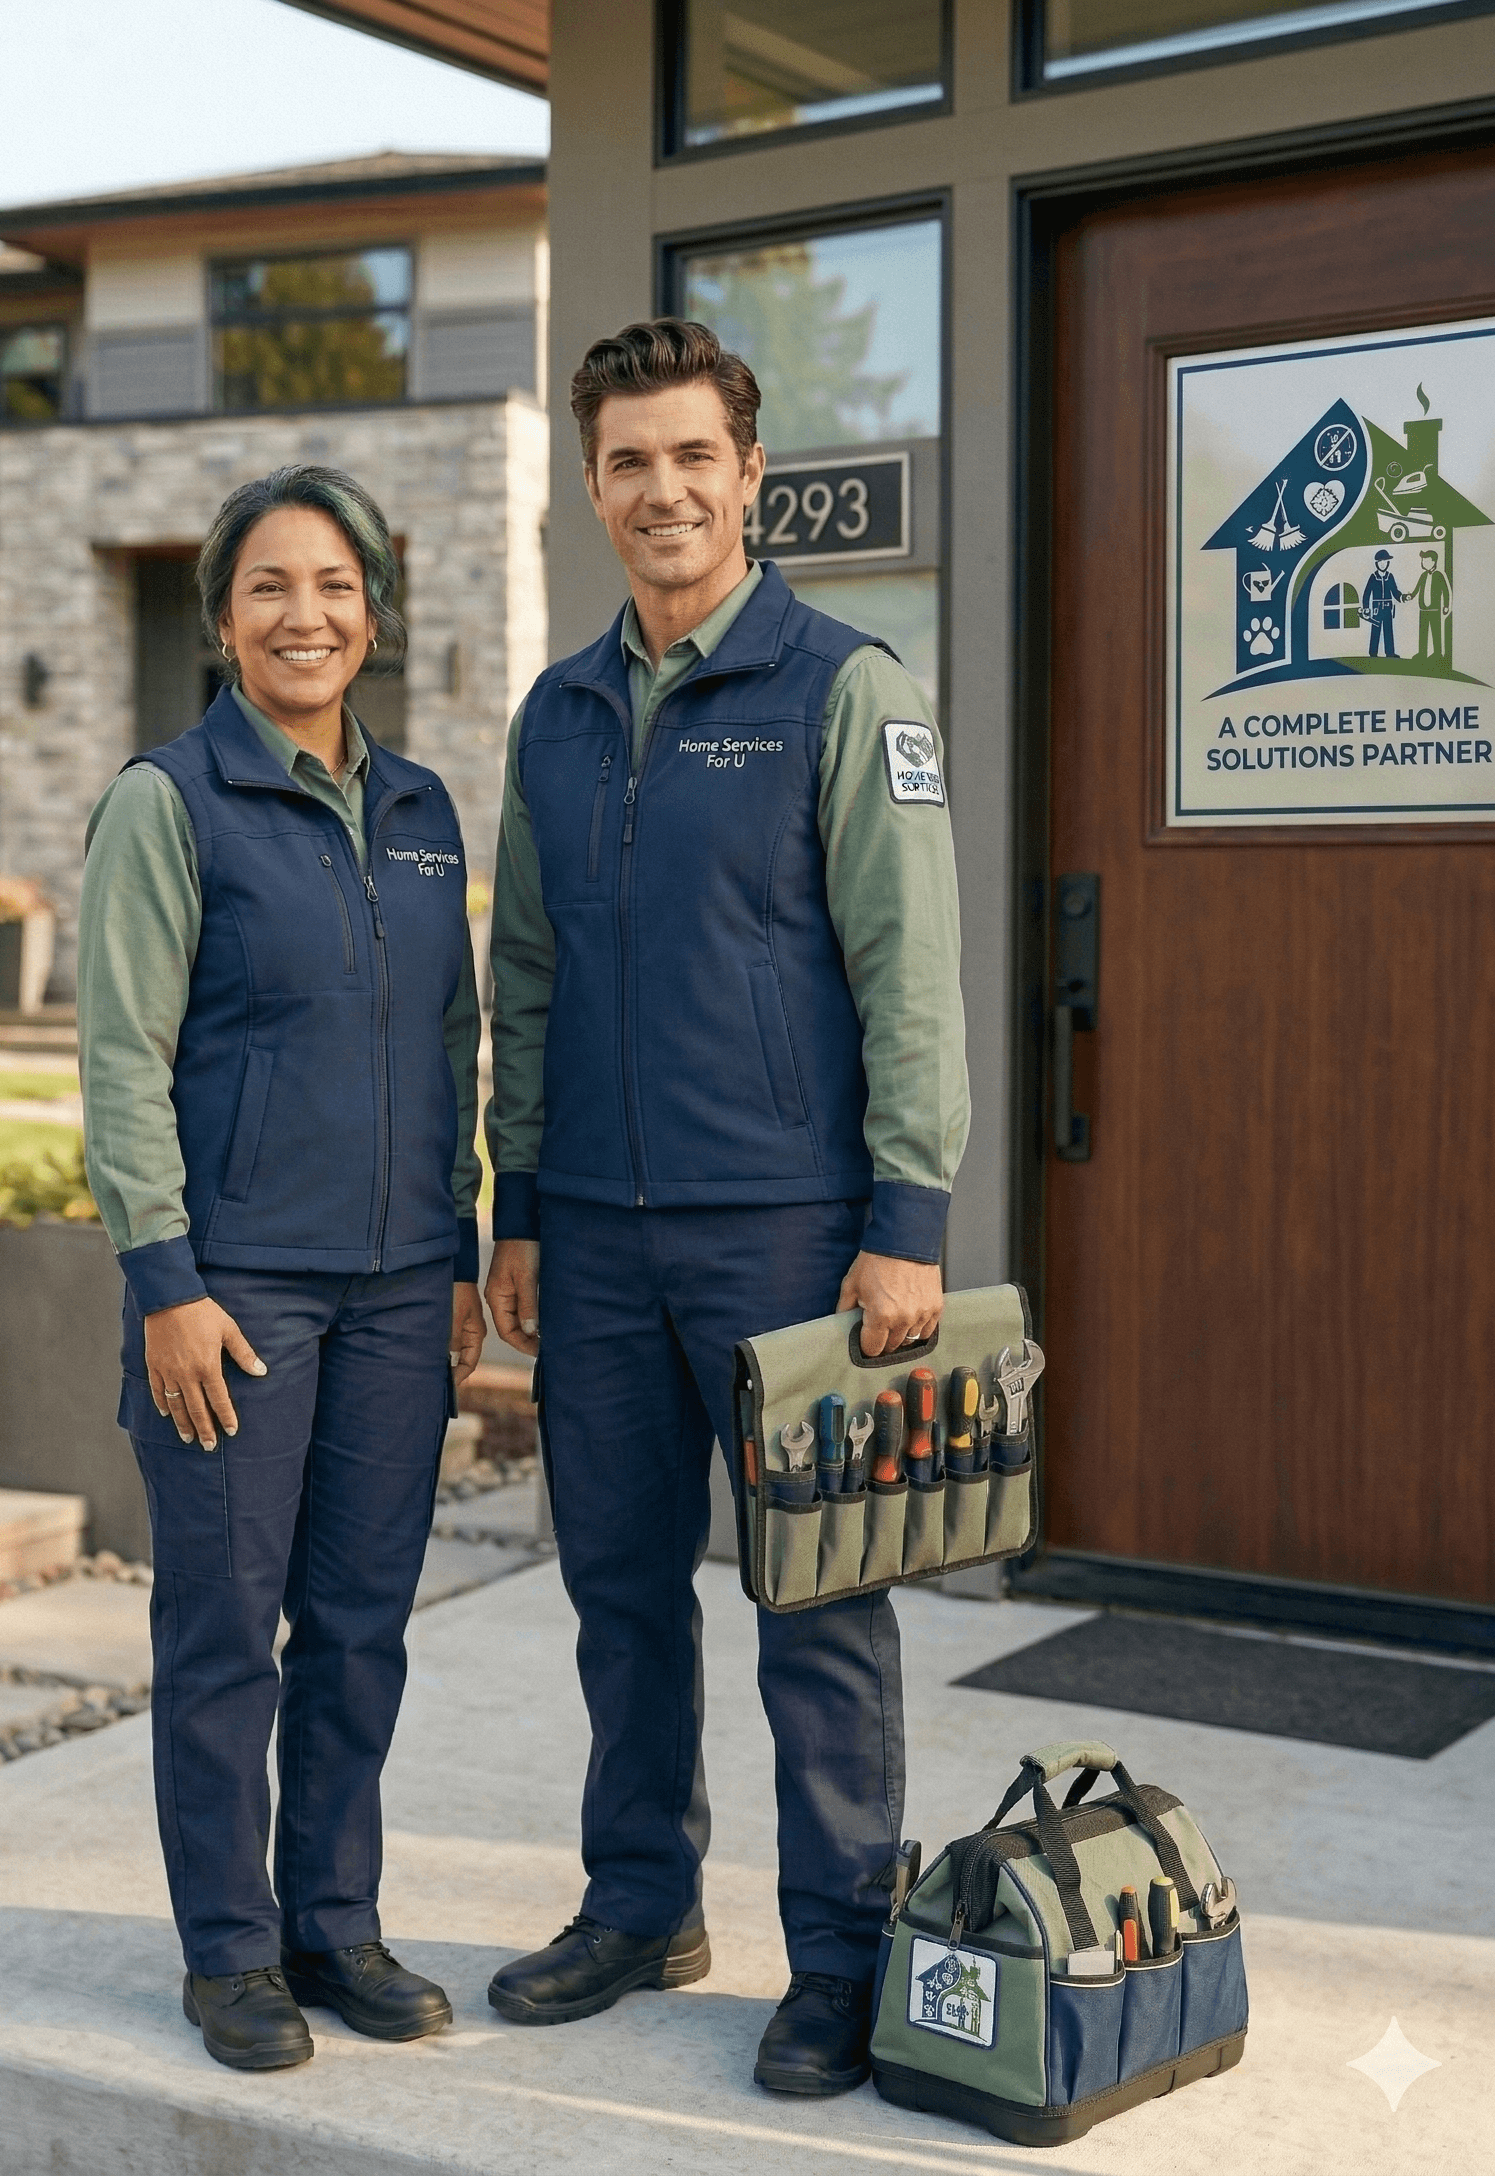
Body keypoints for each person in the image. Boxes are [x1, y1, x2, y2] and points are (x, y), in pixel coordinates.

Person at [482, 321, 968, 2096]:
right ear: (593, 485)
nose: (662, 490)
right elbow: (519, 971)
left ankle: (838, 1951)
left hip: (786, 1234)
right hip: (593, 1243)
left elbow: (910, 975)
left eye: (693, 456)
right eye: (628, 461)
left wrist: (904, 1216)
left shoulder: (847, 690)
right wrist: (514, 1202)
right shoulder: (557, 714)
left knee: (817, 1609)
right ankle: (639, 1903)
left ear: (750, 476)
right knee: (617, 1588)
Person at [78, 464, 487, 2073]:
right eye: (270, 587)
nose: (304, 613)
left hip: (398, 1290)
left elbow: (450, 1044)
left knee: (363, 1620)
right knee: (225, 1631)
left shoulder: (427, 813)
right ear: (224, 621)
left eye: (334, 585)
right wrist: (166, 1280)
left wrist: (455, 1252)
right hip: (235, 1294)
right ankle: (230, 1951)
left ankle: (335, 1923)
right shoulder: (167, 803)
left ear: (373, 612)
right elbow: (123, 1059)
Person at [1363, 548, 1403, 658]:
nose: (1382, 564)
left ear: (1388, 563)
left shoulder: (1390, 577)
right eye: (1380, 562)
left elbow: (1395, 591)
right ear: (1376, 563)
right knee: (1375, 630)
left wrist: (1402, 597)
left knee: (1388, 630)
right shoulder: (1373, 577)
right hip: (1376, 608)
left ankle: (1390, 653)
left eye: (1385, 562)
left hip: (1387, 609)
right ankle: (1373, 653)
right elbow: (1366, 594)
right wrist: (1366, 608)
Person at [1413, 548, 1450, 662]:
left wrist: (1446, 605)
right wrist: (1410, 596)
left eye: (1426, 561)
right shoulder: (1423, 575)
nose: (1423, 563)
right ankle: (1422, 654)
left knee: (1436, 632)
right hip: (1423, 609)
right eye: (1423, 561)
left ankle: (1438, 654)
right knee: (1423, 633)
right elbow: (1417, 589)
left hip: (1434, 610)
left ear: (1433, 562)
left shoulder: (1439, 575)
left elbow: (1445, 591)